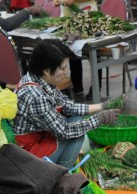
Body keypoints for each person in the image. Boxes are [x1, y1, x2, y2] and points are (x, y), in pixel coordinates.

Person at [13, 40, 119, 169]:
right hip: (30, 155)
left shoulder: (40, 80)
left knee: (76, 120)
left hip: (41, 139)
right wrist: (98, 120)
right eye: (62, 68)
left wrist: (103, 106)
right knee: (76, 130)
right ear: (46, 70)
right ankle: (60, 174)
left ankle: (61, 172)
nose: (66, 73)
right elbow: (64, 131)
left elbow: (67, 106)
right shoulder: (35, 95)